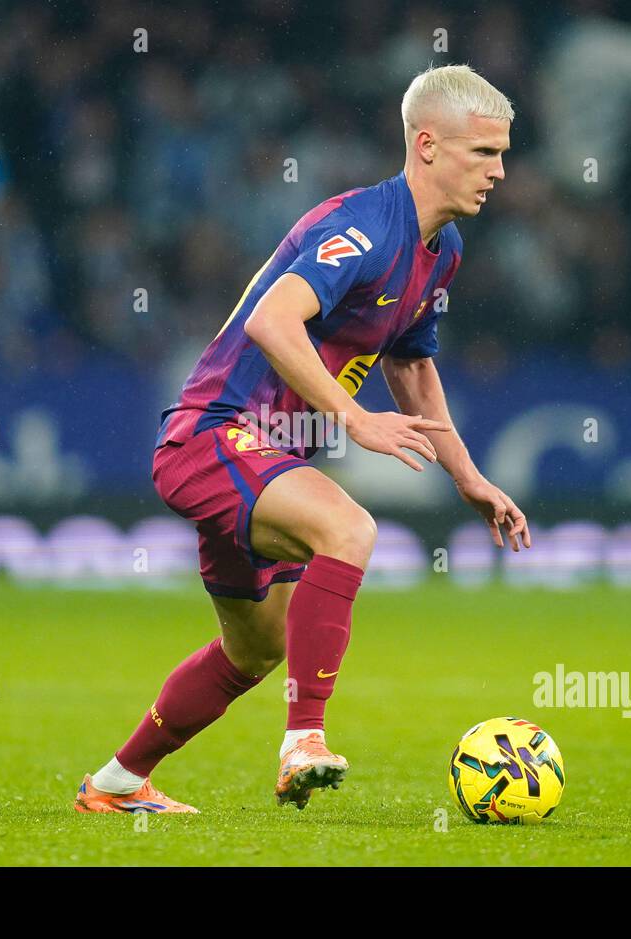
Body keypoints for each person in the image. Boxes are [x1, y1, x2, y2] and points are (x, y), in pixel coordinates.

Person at [76, 64, 530, 814]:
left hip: (264, 458)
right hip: (213, 438)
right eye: (484, 154)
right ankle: (304, 741)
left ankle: (115, 784)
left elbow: (411, 365)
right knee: (347, 528)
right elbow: (271, 320)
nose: (500, 172)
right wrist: (353, 419)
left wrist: (466, 476)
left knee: (255, 650)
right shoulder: (361, 227)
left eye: (503, 154)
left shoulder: (440, 251)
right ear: (426, 145)